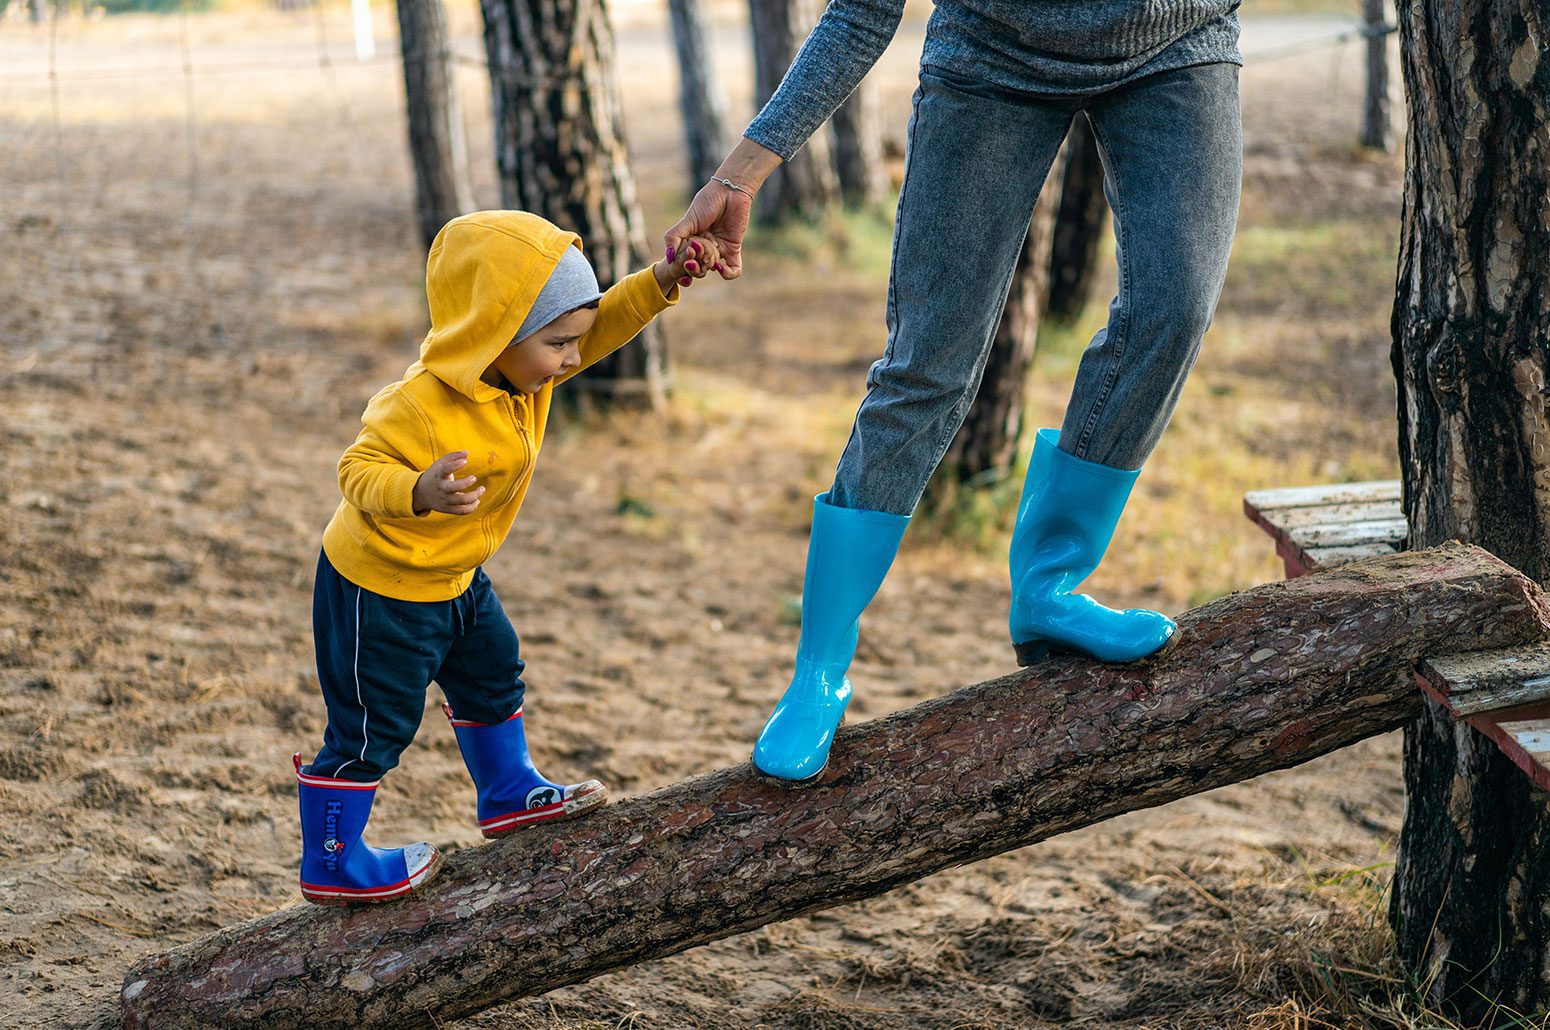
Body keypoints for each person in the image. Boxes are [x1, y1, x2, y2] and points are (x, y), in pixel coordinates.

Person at [665, 0, 1244, 783]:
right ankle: (819, 671)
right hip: (991, 55)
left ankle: (1050, 587)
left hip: (1180, 42)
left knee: (1173, 312)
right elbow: (862, 12)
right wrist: (743, 172)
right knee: (927, 366)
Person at [295, 210, 719, 904]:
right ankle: (333, 859)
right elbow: (355, 468)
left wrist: (663, 279)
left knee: (494, 671)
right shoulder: (419, 404)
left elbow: (601, 324)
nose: (572, 358)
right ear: (495, 332)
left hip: (457, 577)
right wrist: (417, 489)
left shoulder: (528, 372)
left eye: (571, 342)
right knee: (375, 726)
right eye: (558, 344)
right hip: (383, 588)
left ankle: (508, 791)